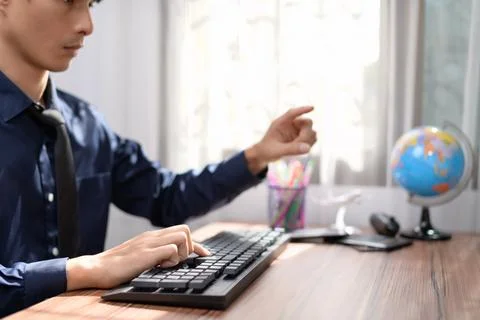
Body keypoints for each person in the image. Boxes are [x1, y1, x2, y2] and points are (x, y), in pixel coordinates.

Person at [0, 0, 317, 316]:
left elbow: (166, 197)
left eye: (90, 4)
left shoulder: (86, 124)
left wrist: (257, 156)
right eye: (69, 1)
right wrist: (86, 269)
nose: (87, 25)